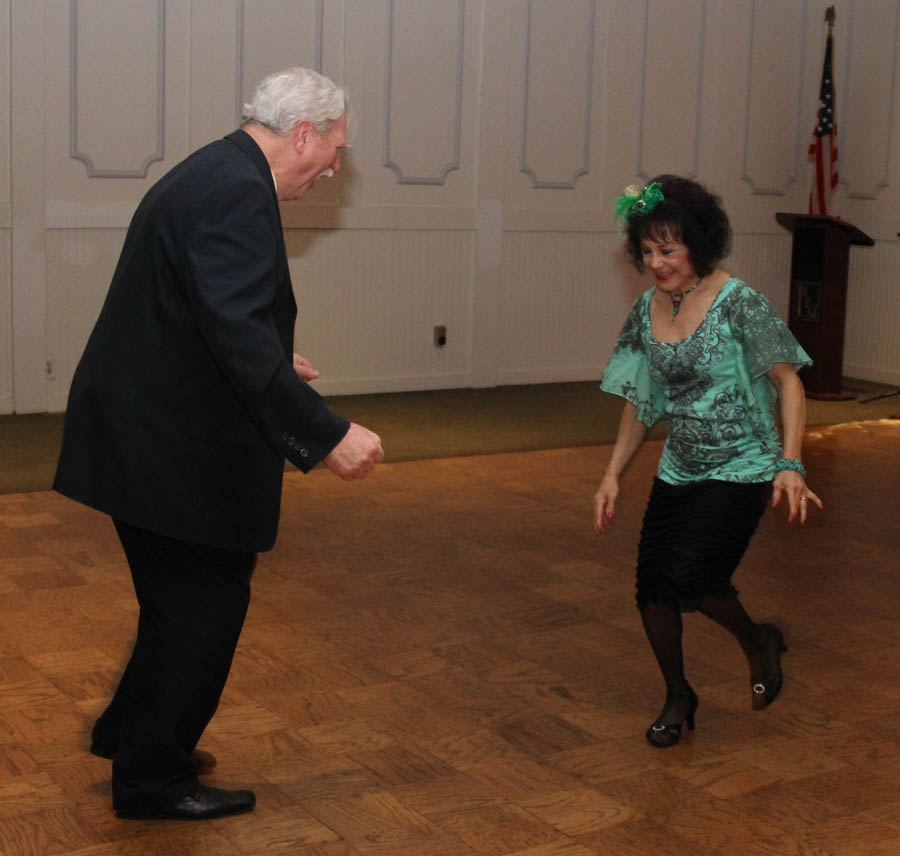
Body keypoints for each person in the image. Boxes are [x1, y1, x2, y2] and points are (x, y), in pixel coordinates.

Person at [53, 67, 384, 819]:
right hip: (167, 446)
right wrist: (326, 434)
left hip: (148, 430)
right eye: (334, 148)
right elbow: (231, 327)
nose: (336, 165)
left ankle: (134, 736)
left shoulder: (216, 171)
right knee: (201, 607)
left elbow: (202, 311)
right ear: (303, 133)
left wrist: (269, 353)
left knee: (178, 602)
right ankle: (152, 781)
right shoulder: (235, 189)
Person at [593, 175, 823, 748]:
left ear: (698, 240)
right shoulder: (648, 309)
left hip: (744, 465)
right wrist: (611, 475)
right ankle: (678, 695)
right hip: (681, 467)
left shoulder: (738, 302)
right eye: (647, 251)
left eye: (668, 249)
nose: (656, 262)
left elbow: (788, 383)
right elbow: (641, 403)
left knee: (693, 578)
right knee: (652, 589)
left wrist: (790, 463)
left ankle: (758, 641)